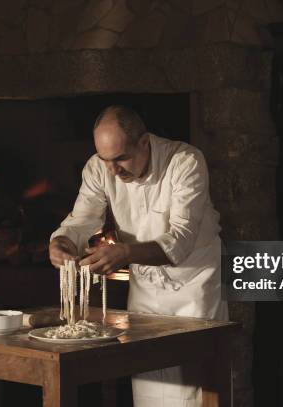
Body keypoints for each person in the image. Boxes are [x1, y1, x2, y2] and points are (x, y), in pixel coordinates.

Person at [49, 105, 228, 407]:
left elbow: (181, 240)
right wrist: (64, 241)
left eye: (120, 158)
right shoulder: (99, 167)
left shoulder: (185, 162)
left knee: (191, 392)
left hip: (194, 289)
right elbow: (81, 220)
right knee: (148, 384)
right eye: (106, 160)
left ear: (144, 142)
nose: (112, 170)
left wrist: (126, 253)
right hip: (144, 291)